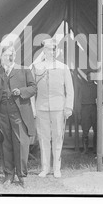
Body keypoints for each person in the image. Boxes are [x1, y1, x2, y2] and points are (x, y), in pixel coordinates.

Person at [0, 44, 37, 187]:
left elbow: (34, 88)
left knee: (21, 143)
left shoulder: (24, 71)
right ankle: (9, 175)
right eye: (4, 55)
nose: (7, 57)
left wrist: (21, 91)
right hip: (2, 114)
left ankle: (22, 176)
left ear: (14, 56)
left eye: (10, 55)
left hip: (19, 113)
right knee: (6, 144)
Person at [32, 38, 74, 178]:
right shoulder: (36, 67)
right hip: (41, 106)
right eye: (49, 49)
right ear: (44, 50)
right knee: (43, 138)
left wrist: (68, 107)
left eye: (54, 49)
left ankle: (57, 168)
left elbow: (70, 89)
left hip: (58, 107)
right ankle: (45, 168)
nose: (52, 51)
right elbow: (32, 89)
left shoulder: (63, 67)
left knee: (57, 137)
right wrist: (33, 108)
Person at [79, 71, 98, 154]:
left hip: (95, 109)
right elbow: (79, 100)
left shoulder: (98, 87)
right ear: (86, 77)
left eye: (92, 76)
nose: (90, 78)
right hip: (85, 109)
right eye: (89, 76)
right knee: (85, 130)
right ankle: (85, 149)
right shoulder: (82, 87)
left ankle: (95, 149)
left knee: (97, 130)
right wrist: (79, 112)